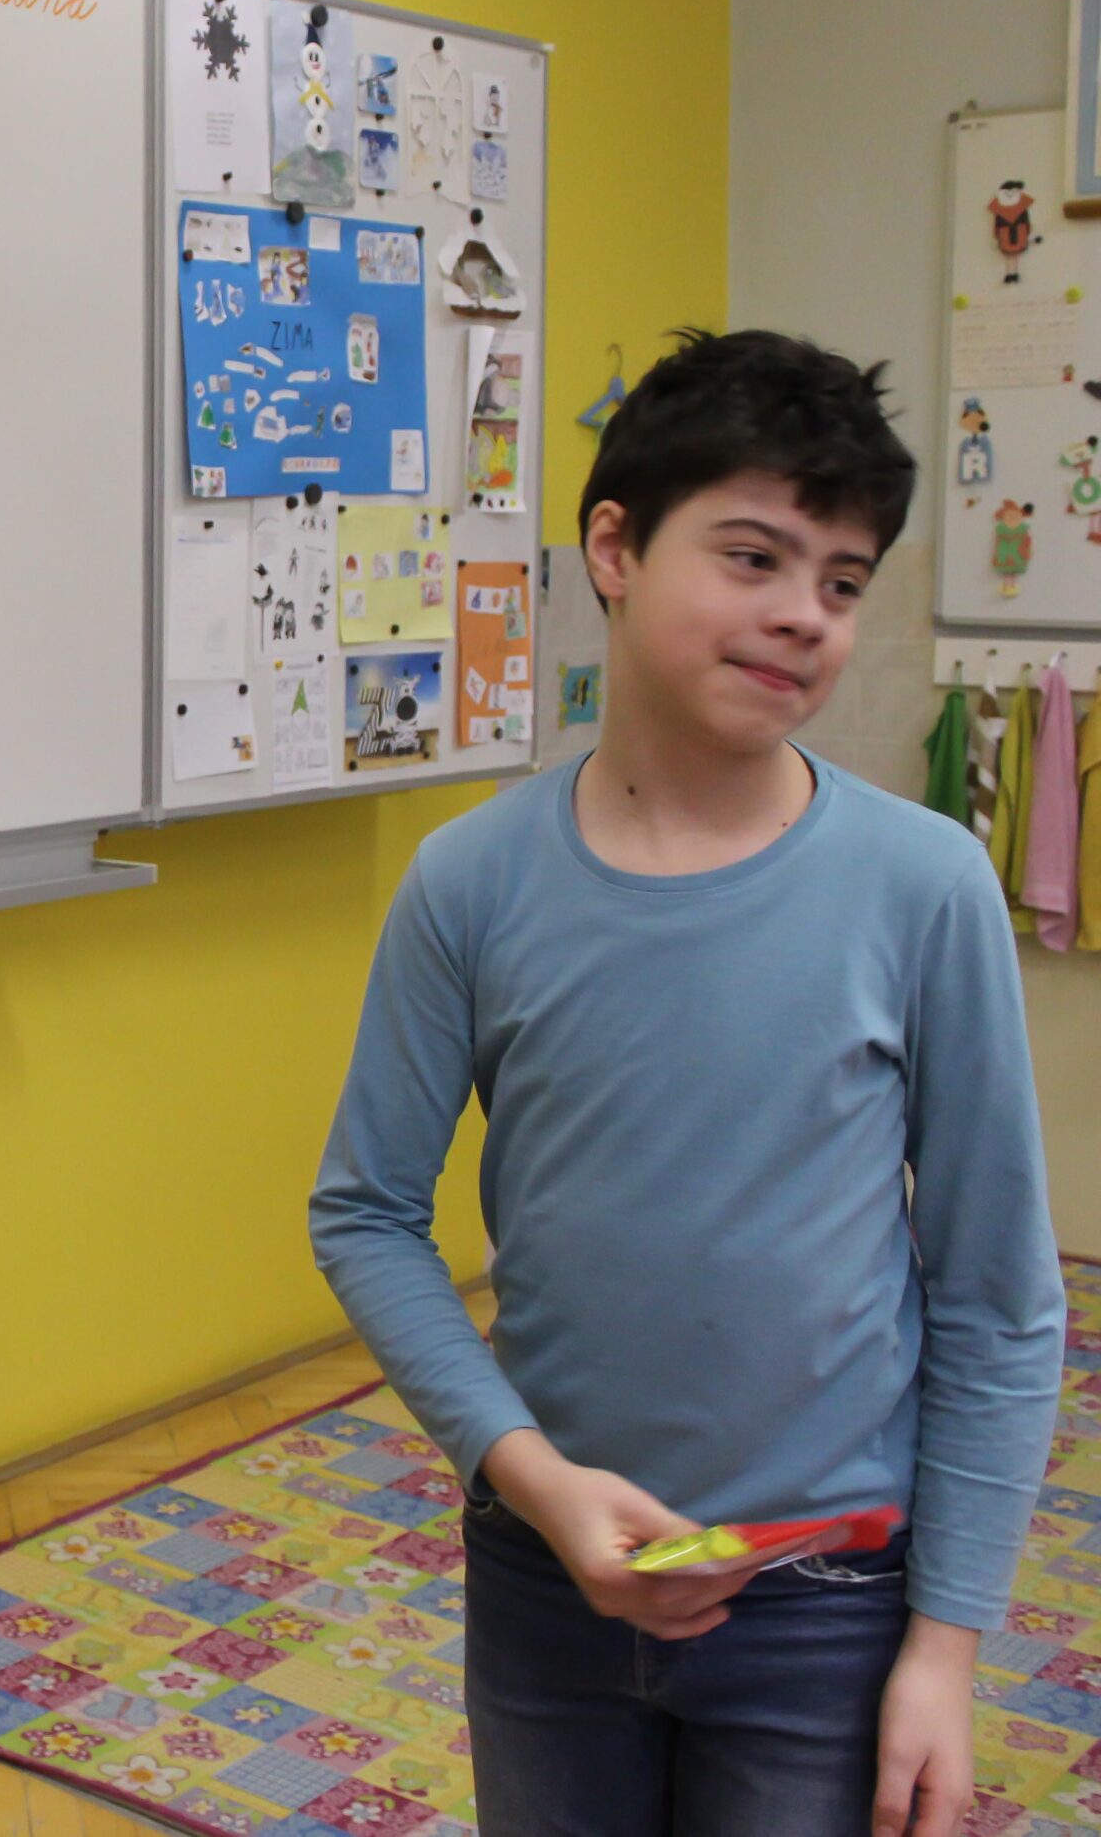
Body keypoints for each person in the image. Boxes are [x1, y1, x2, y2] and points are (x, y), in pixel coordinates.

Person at [309, 329, 1063, 1837]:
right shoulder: (469, 881)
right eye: (753, 557)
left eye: (842, 583)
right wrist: (531, 1477)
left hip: (827, 1601)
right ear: (614, 548)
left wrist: (946, 1647)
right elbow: (367, 1213)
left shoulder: (924, 886)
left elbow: (997, 1296)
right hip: (545, 1581)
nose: (803, 615)